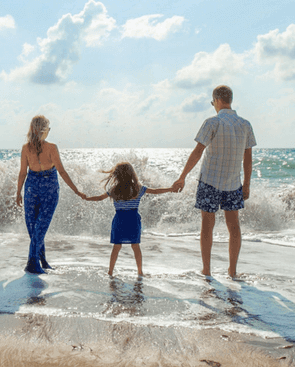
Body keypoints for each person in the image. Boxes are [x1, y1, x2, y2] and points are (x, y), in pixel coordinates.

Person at [171, 85, 256, 278]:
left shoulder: (212, 122)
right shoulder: (245, 124)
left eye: (212, 103)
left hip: (209, 181)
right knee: (233, 226)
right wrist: (247, 184)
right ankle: (232, 271)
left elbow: (198, 152)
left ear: (217, 100)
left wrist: (182, 176)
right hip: (234, 183)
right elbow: (248, 158)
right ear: (230, 100)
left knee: (207, 227)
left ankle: (207, 270)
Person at [15, 115, 83, 274]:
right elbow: (61, 171)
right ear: (44, 130)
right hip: (44, 187)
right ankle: (36, 262)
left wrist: (18, 192)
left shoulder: (30, 148)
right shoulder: (46, 147)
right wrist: (18, 192)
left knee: (38, 227)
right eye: (49, 128)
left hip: (35, 187)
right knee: (35, 228)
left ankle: (37, 261)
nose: (50, 130)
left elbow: (23, 173)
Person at [82, 161, 175, 276]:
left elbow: (100, 198)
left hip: (119, 220)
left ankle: (110, 271)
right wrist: (170, 189)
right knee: (135, 246)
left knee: (116, 247)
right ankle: (140, 272)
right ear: (132, 174)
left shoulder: (114, 189)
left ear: (116, 175)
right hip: (133, 220)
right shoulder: (138, 188)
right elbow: (155, 191)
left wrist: (86, 198)